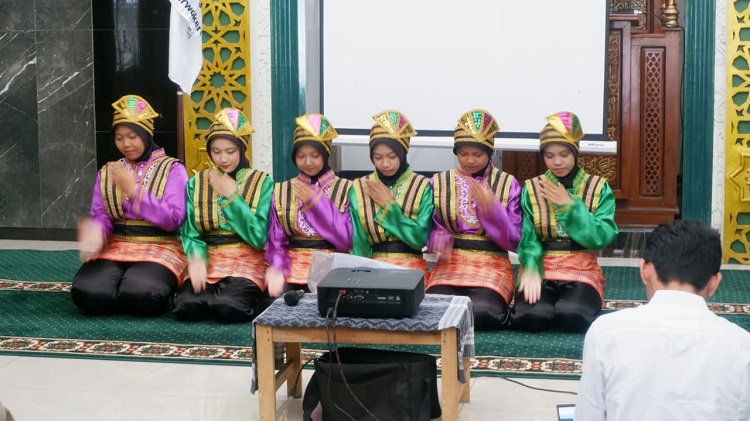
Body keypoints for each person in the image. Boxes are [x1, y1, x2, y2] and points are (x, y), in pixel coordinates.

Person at [575, 220, 750, 420]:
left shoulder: (606, 334)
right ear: (714, 283)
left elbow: (588, 415)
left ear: (645, 271)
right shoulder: (742, 346)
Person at [71, 95, 188, 316]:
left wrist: (134, 192)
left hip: (160, 246)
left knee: (141, 295)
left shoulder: (173, 169)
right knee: (88, 294)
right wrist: (97, 231)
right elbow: (100, 213)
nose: (125, 144)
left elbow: (173, 220)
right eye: (119, 138)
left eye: (132, 137)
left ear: (146, 134)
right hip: (116, 247)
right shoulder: (109, 171)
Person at [508, 111, 617, 332]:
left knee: (573, 316)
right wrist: (531, 268)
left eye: (564, 154)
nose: (557, 162)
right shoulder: (532, 188)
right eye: (549, 156)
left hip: (581, 267)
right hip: (543, 266)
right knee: (532, 317)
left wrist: (570, 206)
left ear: (575, 151)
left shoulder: (597, 187)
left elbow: (604, 235)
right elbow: (528, 238)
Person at [173, 108, 273, 323]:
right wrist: (197, 259)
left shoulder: (262, 182)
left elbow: (259, 236)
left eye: (230, 151)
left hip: (247, 259)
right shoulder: (196, 183)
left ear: (242, 150)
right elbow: (191, 233)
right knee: (186, 308)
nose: (223, 158)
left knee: (227, 308)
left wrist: (231, 196)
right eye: (216, 151)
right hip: (210, 260)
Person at [426, 109, 522, 330]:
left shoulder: (508, 184)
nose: (470, 160)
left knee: (483, 312)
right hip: (451, 264)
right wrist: (438, 240)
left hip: (492, 264)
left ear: (490, 153)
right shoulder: (439, 182)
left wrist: (493, 213)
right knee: (435, 310)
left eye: (477, 154)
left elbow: (516, 239)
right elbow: (429, 227)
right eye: (463, 154)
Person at [265, 114, 352, 298]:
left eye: (315, 155)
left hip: (331, 265)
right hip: (292, 268)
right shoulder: (282, 189)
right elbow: (276, 240)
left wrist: (317, 204)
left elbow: (345, 240)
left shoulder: (346, 189)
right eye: (301, 156)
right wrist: (277, 266)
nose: (308, 162)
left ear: (326, 154)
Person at [349, 110, 433, 274]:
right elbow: (358, 241)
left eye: (392, 156)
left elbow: (419, 239)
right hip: (371, 267)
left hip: (411, 269)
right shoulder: (359, 187)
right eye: (378, 157)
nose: (385, 164)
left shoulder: (422, 186)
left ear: (403, 153)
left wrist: (388, 206)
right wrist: (361, 275)